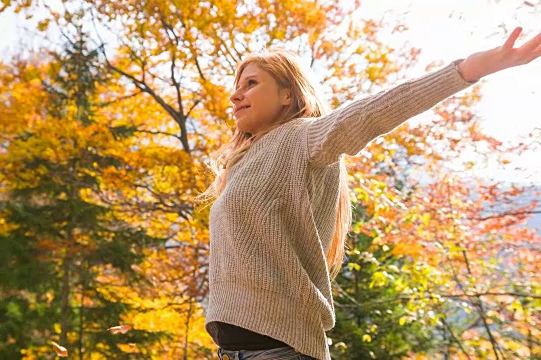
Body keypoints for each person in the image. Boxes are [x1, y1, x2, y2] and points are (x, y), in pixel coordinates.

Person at [196, 27, 541, 360]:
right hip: (232, 352)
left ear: (288, 94)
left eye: (251, 84)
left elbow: (371, 113)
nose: (235, 95)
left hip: (281, 351)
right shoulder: (242, 164)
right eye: (236, 87)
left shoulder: (302, 137)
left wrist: (469, 69)